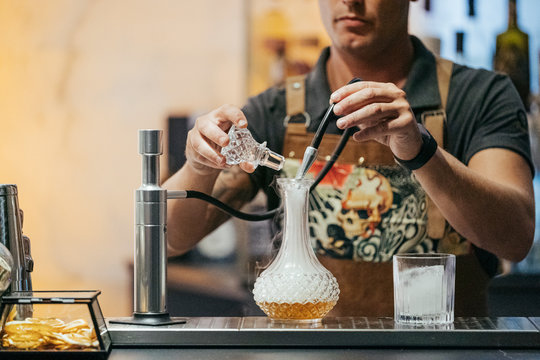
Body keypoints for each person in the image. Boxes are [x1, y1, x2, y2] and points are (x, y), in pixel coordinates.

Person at [163, 0, 534, 316]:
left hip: (443, 351)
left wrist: (423, 153)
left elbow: (515, 238)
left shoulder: (481, 96)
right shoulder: (276, 110)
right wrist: (198, 165)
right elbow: (168, 239)